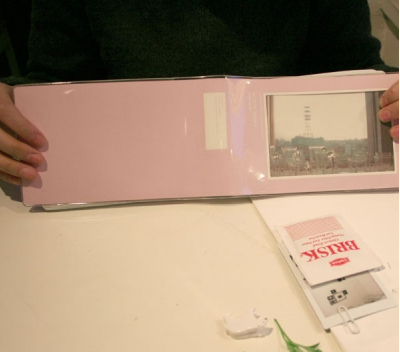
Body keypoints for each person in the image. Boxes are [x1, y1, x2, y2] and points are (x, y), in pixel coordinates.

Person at [0, 0, 398, 186]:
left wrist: (391, 97)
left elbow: (355, 71)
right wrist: (13, 117)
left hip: (291, 200)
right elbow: (54, 85)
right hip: (123, 194)